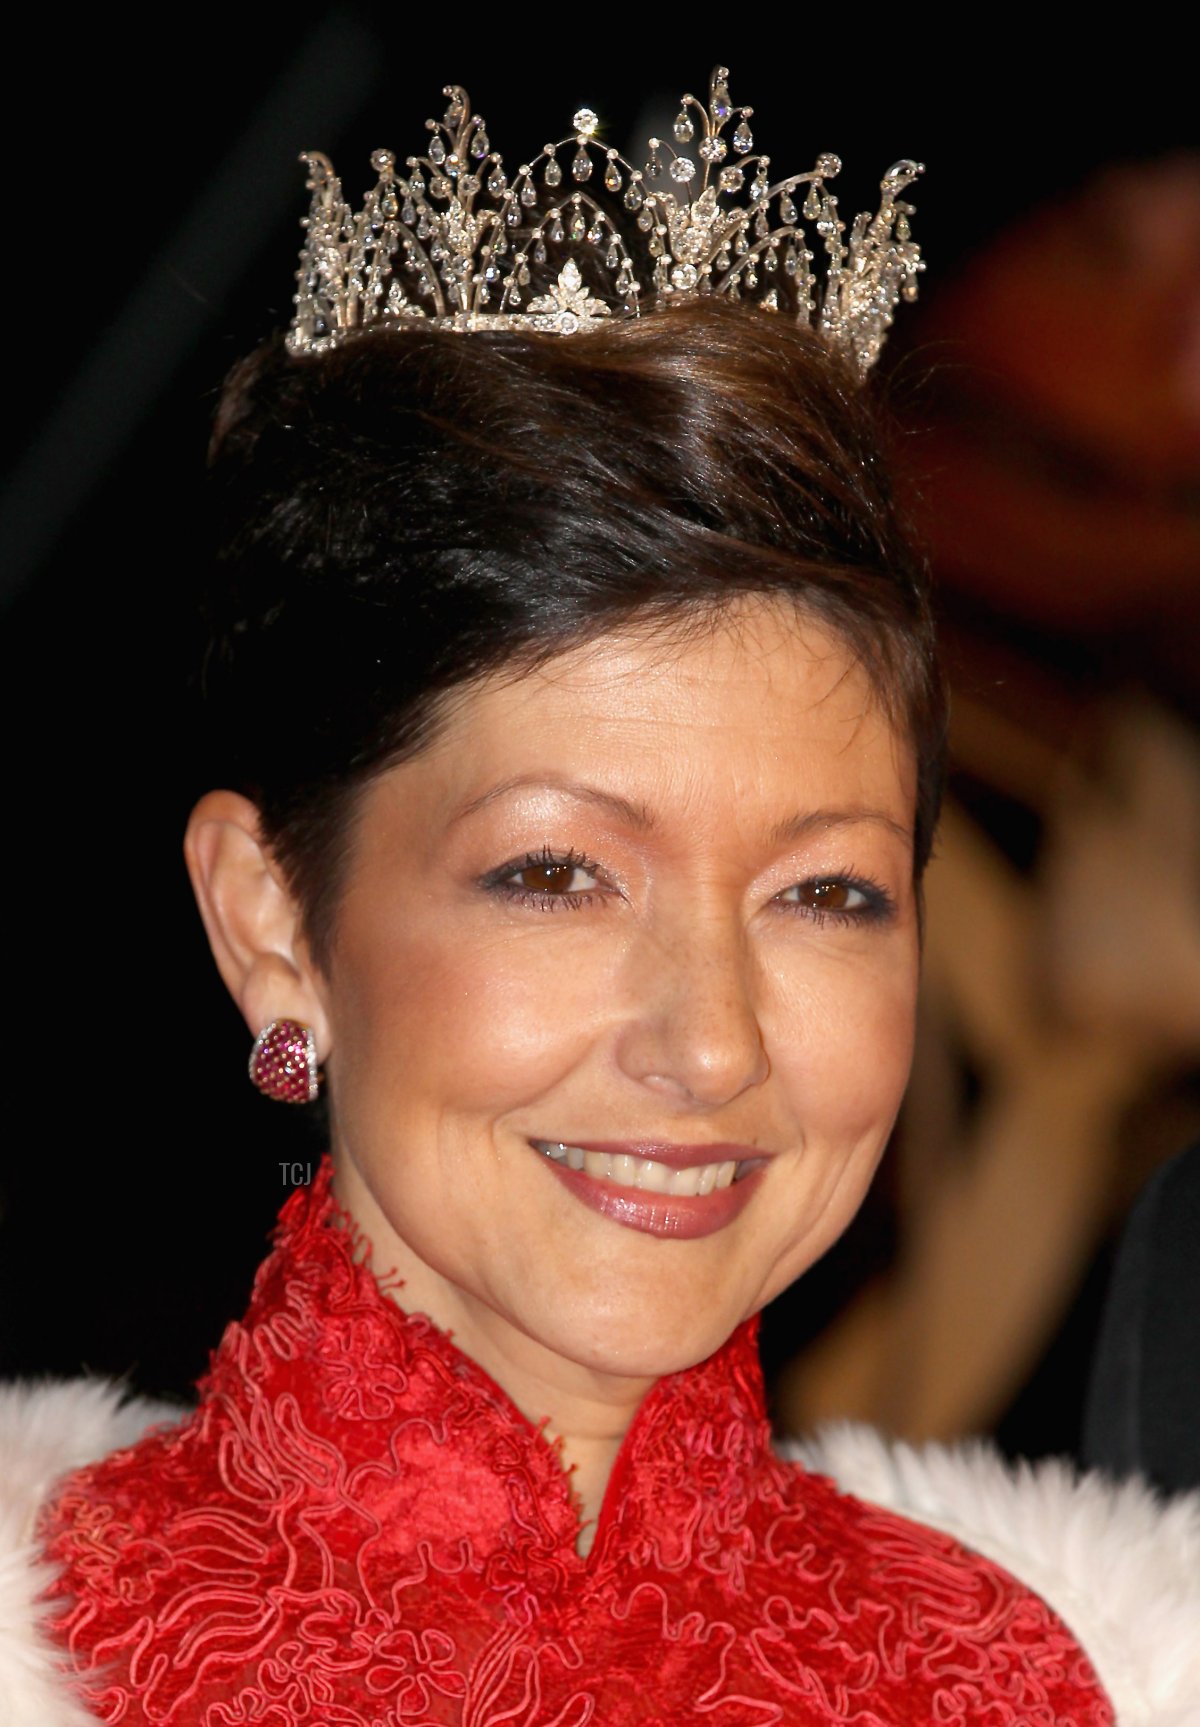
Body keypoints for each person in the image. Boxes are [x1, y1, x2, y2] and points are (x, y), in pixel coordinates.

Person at [2, 71, 1197, 1727]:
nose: (710, 1044)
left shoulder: (1109, 1674)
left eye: (828, 894)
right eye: (555, 874)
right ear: (275, 923)